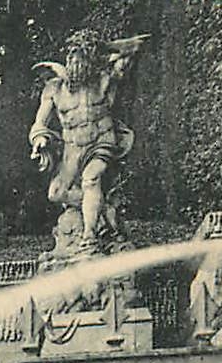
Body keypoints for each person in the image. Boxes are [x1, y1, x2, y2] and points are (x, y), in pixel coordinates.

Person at [29, 29, 146, 250]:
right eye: (72, 57)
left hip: (102, 141)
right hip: (72, 147)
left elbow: (134, 49)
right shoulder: (53, 89)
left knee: (91, 179)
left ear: (92, 60)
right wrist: (39, 138)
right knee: (56, 194)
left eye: (82, 58)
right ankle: (102, 208)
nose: (76, 64)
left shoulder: (104, 80)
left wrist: (106, 46)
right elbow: (39, 123)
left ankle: (89, 236)